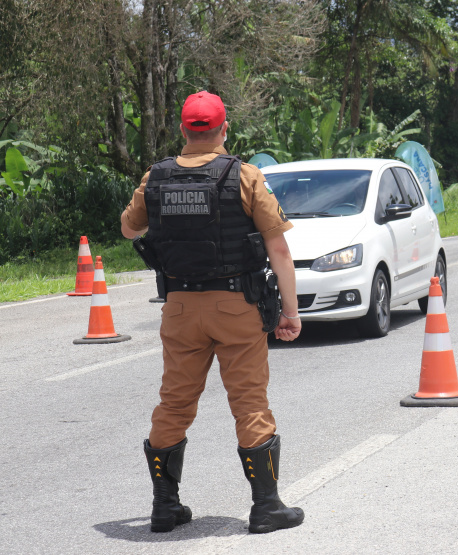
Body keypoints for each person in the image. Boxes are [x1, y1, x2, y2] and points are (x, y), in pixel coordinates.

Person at [120, 91, 304, 534]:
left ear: (184, 130)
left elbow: (130, 228)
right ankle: (266, 507)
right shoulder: (245, 176)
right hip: (236, 306)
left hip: (180, 307)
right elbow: (278, 248)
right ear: (224, 130)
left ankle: (165, 507)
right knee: (249, 402)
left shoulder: (156, 177)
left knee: (175, 403)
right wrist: (290, 314)